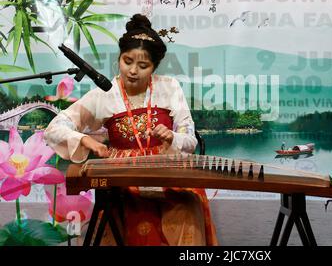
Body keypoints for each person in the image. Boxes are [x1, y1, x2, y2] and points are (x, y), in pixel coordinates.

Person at [44, 14, 217, 246]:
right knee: (130, 216)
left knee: (188, 207)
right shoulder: (104, 93)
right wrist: (85, 140)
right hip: (122, 181)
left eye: (143, 65)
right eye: (127, 61)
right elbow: (55, 127)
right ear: (119, 58)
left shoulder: (169, 87)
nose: (133, 71)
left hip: (167, 173)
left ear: (154, 67)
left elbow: (190, 141)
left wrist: (173, 136)